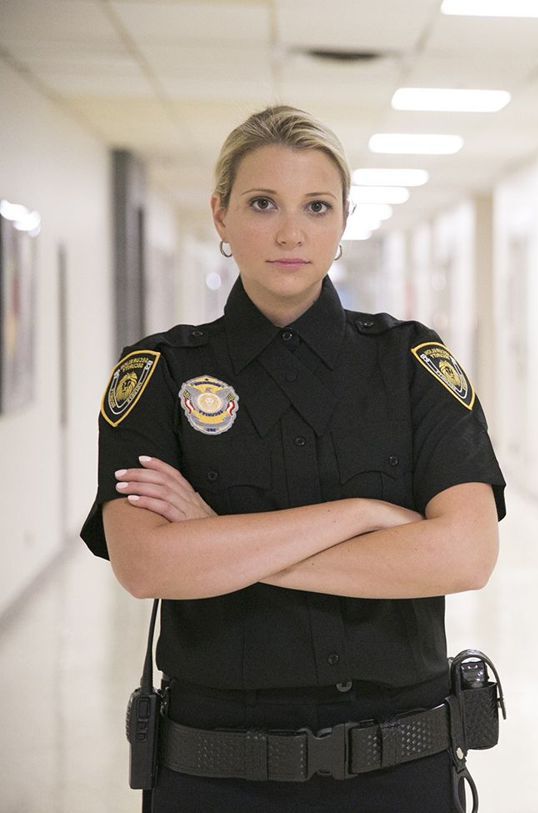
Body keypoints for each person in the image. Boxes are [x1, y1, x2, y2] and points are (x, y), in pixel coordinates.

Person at [81, 105, 506, 813]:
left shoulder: (409, 365)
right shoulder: (159, 372)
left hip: (399, 769)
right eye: (261, 204)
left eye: (316, 206)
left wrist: (222, 538)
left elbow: (466, 554)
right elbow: (147, 564)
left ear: (343, 220)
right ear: (220, 215)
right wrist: (361, 515)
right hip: (216, 775)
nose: (290, 231)